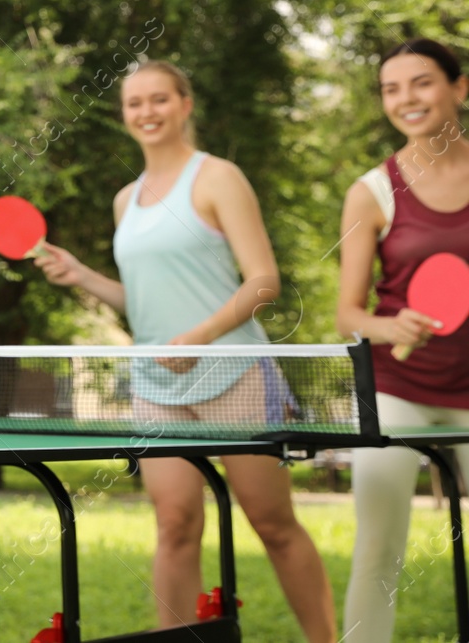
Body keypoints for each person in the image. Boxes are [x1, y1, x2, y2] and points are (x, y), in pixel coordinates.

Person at [32, 60, 334, 641]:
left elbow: (263, 280)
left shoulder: (219, 178)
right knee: (174, 523)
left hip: (235, 372)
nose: (146, 112)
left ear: (184, 104)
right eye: (134, 103)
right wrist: (83, 276)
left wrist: (201, 335)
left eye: (158, 99)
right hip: (156, 385)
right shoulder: (126, 201)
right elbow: (143, 303)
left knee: (272, 523)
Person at [335, 38, 469, 643]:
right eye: (392, 88)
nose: (406, 99)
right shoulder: (372, 191)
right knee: (378, 549)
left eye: (421, 82)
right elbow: (347, 314)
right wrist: (389, 326)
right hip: (398, 389)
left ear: (458, 88)